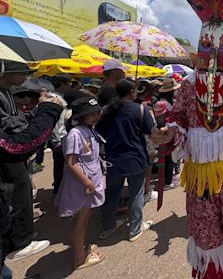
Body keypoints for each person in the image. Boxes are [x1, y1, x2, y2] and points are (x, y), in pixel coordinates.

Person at [0, 60, 63, 273]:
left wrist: (35, 113)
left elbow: (12, 124)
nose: (28, 77)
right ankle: (19, 241)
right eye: (24, 71)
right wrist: (48, 110)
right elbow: (17, 144)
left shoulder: (5, 92)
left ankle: (18, 239)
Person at [95, 78, 155, 242]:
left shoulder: (107, 110)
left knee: (112, 193)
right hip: (136, 158)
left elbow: (99, 133)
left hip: (113, 159)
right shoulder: (140, 109)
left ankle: (108, 227)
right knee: (136, 194)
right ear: (132, 92)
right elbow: (150, 130)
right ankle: (135, 229)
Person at [54, 97, 105, 270]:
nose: (95, 116)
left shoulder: (88, 129)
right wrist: (87, 182)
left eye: (97, 112)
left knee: (86, 217)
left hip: (90, 177)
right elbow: (71, 162)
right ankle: (79, 258)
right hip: (83, 181)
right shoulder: (75, 134)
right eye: (90, 114)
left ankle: (81, 248)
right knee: (81, 220)